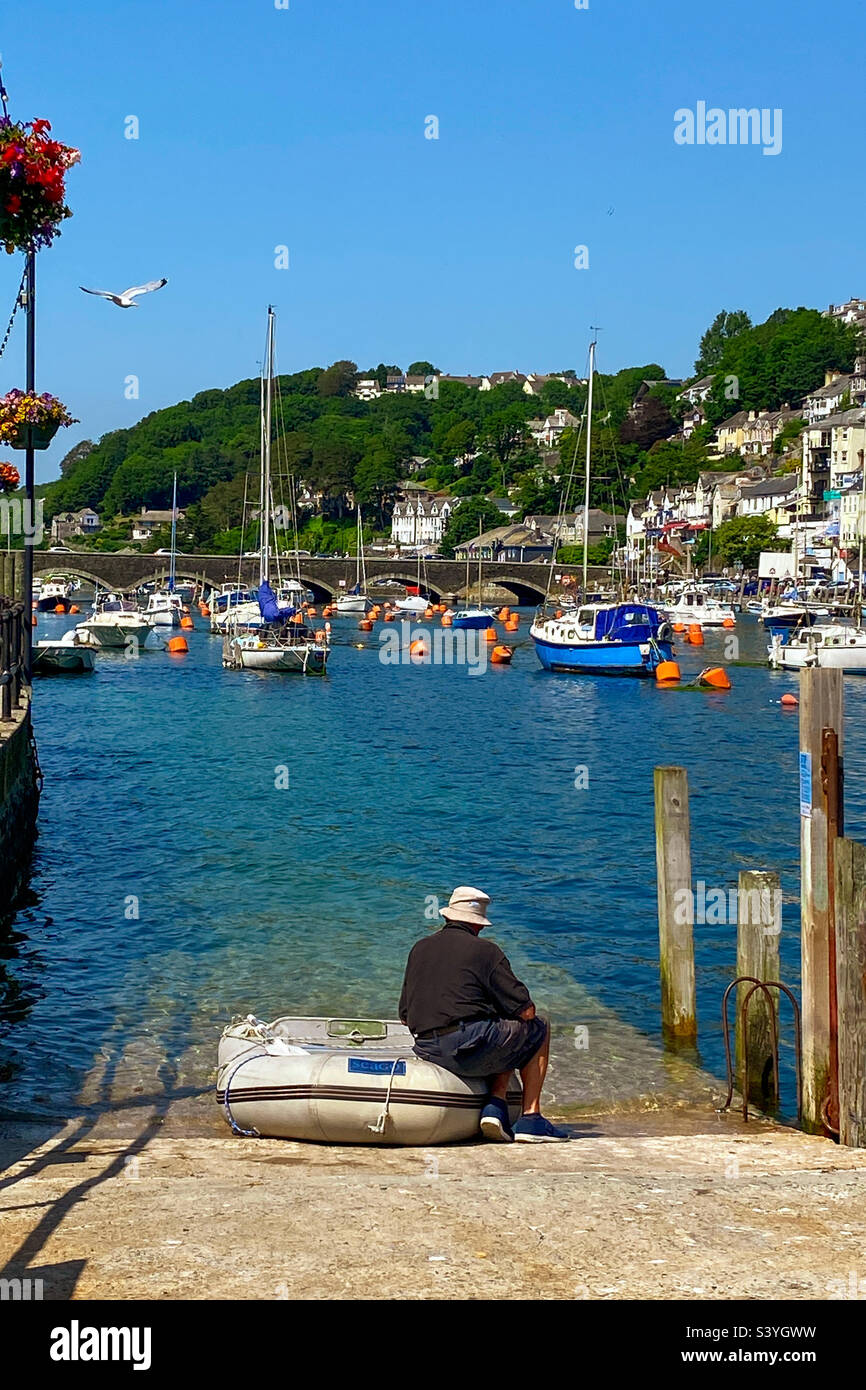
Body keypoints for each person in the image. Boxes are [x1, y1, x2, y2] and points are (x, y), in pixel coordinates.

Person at [398, 886, 568, 1143]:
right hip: (466, 1048)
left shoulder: (419, 948)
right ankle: (531, 1118)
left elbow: (404, 1016)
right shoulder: (486, 951)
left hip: (427, 1048)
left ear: (447, 916)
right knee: (537, 1026)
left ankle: (495, 1106)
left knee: (501, 1025)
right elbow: (526, 1011)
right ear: (479, 925)